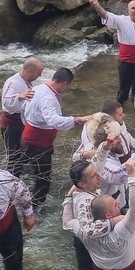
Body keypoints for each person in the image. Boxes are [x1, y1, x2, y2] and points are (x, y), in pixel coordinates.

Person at [73, 160, 135, 270]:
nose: (99, 176)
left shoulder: (81, 230)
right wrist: (131, 175)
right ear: (108, 215)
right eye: (115, 204)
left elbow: (68, 221)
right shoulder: (122, 231)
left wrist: (68, 197)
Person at [20, 68, 87, 206]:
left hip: (29, 138)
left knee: (30, 170)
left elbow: (23, 110)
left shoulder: (37, 88)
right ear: (64, 83)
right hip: (38, 143)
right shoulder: (48, 98)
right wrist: (78, 120)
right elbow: (54, 121)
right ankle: (35, 208)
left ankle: (25, 193)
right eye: (67, 86)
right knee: (43, 180)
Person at [89, 0, 135, 104]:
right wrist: (96, 4)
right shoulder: (122, 21)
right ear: (128, 10)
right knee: (123, 90)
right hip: (126, 63)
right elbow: (105, 15)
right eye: (133, 8)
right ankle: (119, 108)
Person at [62, 160, 112, 270]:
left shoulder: (90, 189)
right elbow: (89, 231)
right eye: (94, 175)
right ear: (82, 184)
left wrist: (69, 196)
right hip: (87, 245)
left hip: (86, 243)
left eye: (97, 172)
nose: (99, 176)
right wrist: (114, 221)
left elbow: (99, 158)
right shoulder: (85, 201)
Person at [1, 57, 44, 176]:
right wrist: (20, 96)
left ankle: (23, 173)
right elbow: (6, 101)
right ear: (29, 71)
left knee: (26, 151)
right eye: (38, 73)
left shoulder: (28, 82)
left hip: (23, 123)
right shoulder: (12, 83)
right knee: (14, 156)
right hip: (12, 126)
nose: (40, 76)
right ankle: (12, 180)